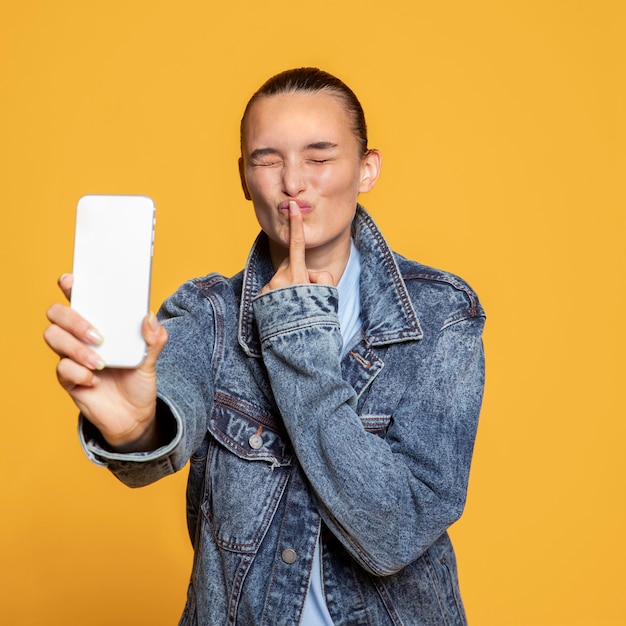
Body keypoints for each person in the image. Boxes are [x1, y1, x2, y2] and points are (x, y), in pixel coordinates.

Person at [45, 67, 486, 626]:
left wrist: (297, 330)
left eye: (319, 157)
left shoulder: (442, 314)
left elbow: (395, 530)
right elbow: (164, 417)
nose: (293, 183)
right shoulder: (207, 312)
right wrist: (136, 428)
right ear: (243, 177)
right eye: (268, 159)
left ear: (366, 168)